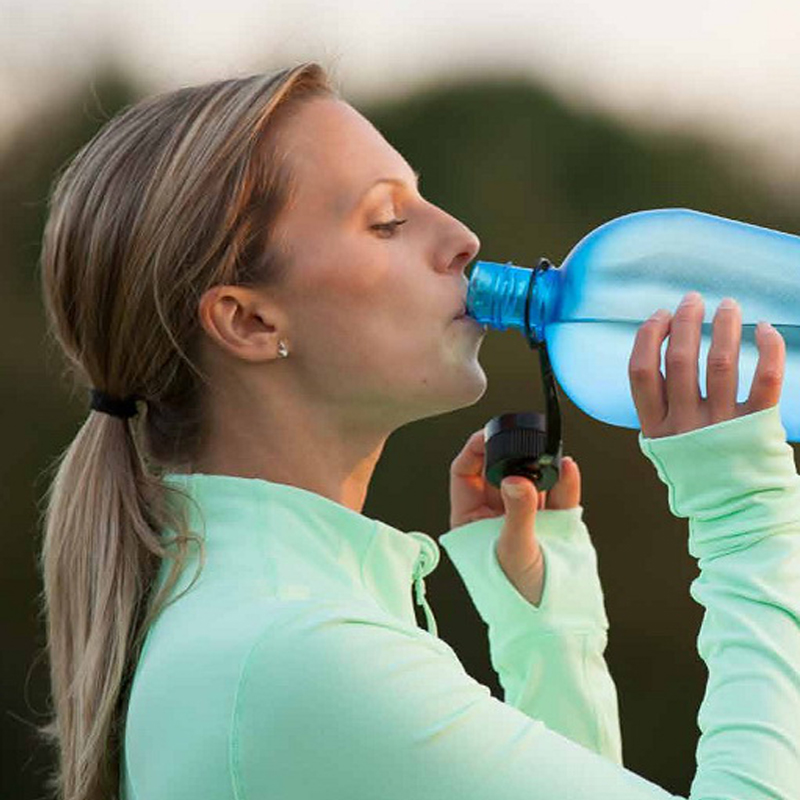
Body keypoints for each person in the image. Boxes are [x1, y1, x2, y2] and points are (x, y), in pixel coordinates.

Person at [36, 61, 799, 800]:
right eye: (388, 221)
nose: (462, 238)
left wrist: (545, 635)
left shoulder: (267, 623)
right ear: (250, 320)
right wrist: (746, 521)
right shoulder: (297, 655)